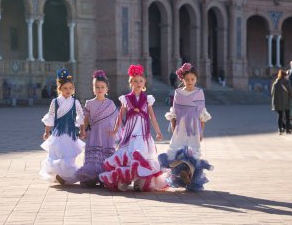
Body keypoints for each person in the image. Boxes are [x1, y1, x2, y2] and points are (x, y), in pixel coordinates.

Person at [99, 64, 168, 192]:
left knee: (141, 155)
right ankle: (124, 179)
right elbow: (120, 116)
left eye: (140, 81)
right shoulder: (126, 99)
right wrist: (115, 130)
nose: (138, 83)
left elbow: (152, 116)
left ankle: (139, 181)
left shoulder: (147, 99)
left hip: (142, 133)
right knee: (128, 154)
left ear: (144, 82)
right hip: (130, 133)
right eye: (135, 81)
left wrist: (158, 132)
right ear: (130, 83)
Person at [158, 63, 213, 192]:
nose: (190, 82)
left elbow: (202, 115)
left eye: (192, 79)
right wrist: (173, 129)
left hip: (194, 129)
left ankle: (189, 176)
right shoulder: (178, 93)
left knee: (192, 152)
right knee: (177, 150)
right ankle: (182, 172)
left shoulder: (199, 93)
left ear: (196, 79)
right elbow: (174, 114)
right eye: (187, 79)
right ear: (182, 79)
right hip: (180, 128)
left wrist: (201, 132)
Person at [39, 68, 86, 185]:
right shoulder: (55, 102)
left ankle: (66, 176)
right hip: (58, 134)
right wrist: (46, 132)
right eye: (65, 88)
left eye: (70, 88)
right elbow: (50, 117)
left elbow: (81, 116)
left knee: (69, 156)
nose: (68, 90)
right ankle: (57, 175)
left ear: (73, 89)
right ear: (59, 89)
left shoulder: (75, 102)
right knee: (56, 154)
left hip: (70, 134)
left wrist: (82, 130)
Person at [76, 70, 118, 187]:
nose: (100, 89)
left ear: (107, 89)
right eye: (97, 87)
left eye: (102, 87)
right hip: (94, 133)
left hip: (106, 134)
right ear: (93, 88)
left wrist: (115, 132)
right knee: (94, 157)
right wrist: (82, 129)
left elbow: (116, 120)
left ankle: (105, 176)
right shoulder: (89, 103)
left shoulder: (110, 104)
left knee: (105, 154)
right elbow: (85, 118)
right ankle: (91, 177)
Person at [271, 69, 292, 134]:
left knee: (280, 116)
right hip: (286, 102)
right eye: (286, 75)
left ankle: (280, 129)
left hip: (277, 102)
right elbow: (291, 91)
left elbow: (272, 93)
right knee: (287, 116)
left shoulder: (275, 83)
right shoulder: (287, 82)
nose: (287, 76)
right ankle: (287, 130)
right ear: (284, 76)